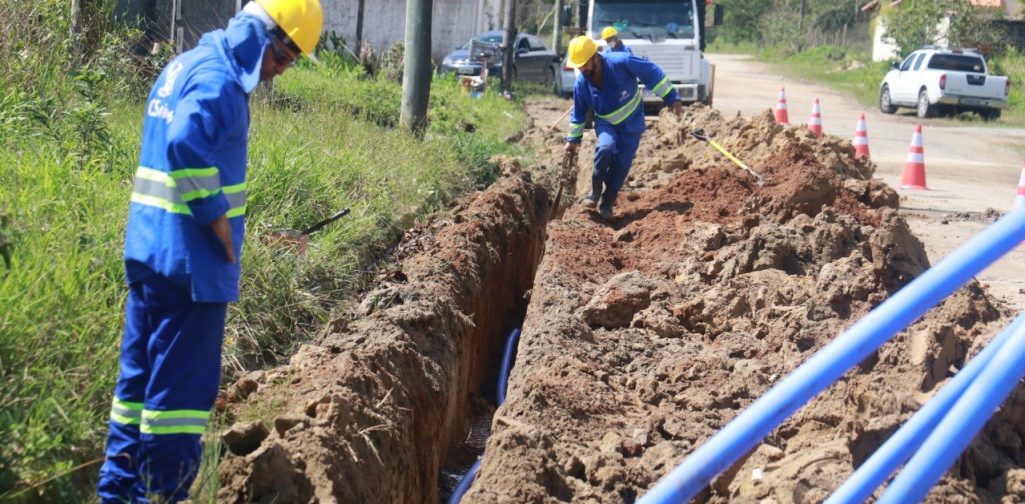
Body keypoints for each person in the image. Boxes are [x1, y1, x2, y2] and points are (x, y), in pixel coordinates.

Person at [96, 0, 322, 501]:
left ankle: (118, 493)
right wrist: (216, 219)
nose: (277, 75)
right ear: (263, 38)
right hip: (189, 266)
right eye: (282, 60)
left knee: (136, 388)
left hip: (151, 253)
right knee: (179, 397)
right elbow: (184, 144)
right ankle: (161, 495)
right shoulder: (219, 80)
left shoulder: (184, 64)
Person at [564, 35, 682, 220]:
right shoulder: (582, 84)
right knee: (605, 148)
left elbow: (651, 72)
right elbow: (578, 114)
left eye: (585, 64)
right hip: (606, 123)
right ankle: (594, 191)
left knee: (621, 165)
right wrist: (572, 141)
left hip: (632, 123)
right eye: (579, 66)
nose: (582, 69)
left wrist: (671, 97)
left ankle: (607, 203)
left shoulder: (621, 61)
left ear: (595, 56)